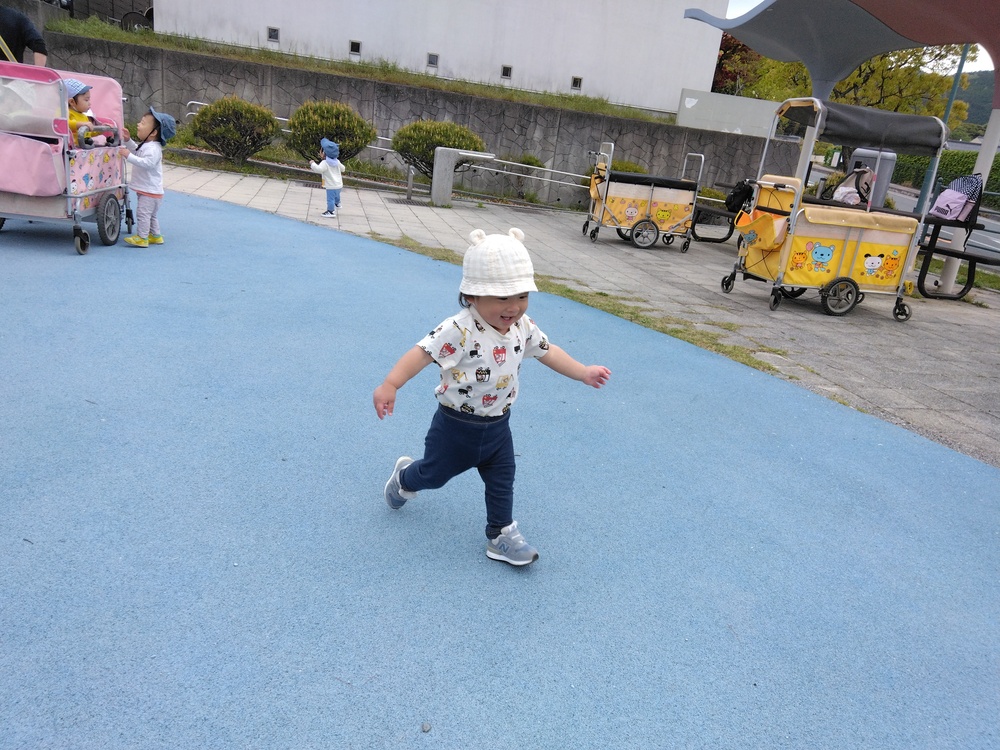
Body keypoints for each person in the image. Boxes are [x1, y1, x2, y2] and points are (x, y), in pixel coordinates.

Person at [373, 228, 612, 566]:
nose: (513, 306)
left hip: (499, 425)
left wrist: (583, 371)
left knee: (502, 478)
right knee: (434, 475)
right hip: (456, 426)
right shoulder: (460, 329)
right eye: (502, 297)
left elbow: (548, 352)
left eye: (521, 295)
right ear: (471, 295)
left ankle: (500, 534)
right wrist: (390, 384)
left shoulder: (523, 326)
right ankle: (404, 478)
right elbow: (422, 353)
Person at [118, 107, 176, 248]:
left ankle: (142, 237)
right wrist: (128, 140)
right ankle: (155, 236)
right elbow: (137, 150)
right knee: (151, 216)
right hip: (151, 191)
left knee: (143, 214)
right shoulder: (148, 145)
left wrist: (128, 156)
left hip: (150, 191)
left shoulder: (153, 149)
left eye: (143, 123)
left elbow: (147, 163)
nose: (138, 124)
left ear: (154, 132)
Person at [309, 138, 345, 218]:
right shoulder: (337, 161)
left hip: (331, 185)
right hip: (339, 184)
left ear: (324, 154)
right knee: (337, 195)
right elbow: (343, 169)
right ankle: (338, 203)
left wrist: (312, 164)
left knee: (330, 199)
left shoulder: (325, 163)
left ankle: (330, 211)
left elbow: (319, 169)